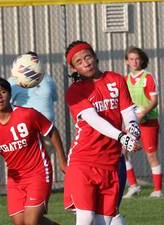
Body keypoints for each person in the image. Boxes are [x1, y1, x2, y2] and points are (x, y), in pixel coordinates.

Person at [63, 40, 141, 225]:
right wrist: (122, 136)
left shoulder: (115, 79)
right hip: (84, 160)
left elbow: (128, 111)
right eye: (79, 61)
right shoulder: (75, 91)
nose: (86, 63)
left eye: (87, 57)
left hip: (110, 162)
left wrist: (133, 129)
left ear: (95, 57)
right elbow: (94, 120)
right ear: (74, 69)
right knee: (86, 217)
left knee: (104, 222)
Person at [0, 77, 67, 225]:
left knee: (31, 222)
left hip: (38, 172)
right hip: (15, 179)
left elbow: (52, 131)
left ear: (10, 95)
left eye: (3, 92)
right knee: (20, 222)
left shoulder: (27, 114)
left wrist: (63, 161)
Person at [122, 46, 163, 198]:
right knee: (123, 152)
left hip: (148, 120)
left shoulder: (148, 77)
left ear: (142, 60)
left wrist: (143, 112)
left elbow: (154, 100)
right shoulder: (125, 79)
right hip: (132, 121)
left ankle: (158, 190)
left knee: (151, 155)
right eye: (131, 59)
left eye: (137, 59)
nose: (134, 62)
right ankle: (133, 186)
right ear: (127, 61)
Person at [8, 51, 58, 123]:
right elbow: (7, 103)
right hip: (25, 128)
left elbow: (54, 98)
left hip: (48, 127)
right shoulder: (13, 81)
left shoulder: (48, 79)